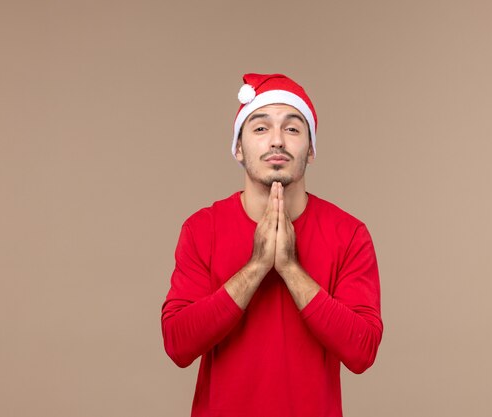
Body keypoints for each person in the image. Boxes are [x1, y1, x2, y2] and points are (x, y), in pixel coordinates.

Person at [161, 73, 383, 417]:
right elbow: (178, 344)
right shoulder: (201, 229)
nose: (276, 141)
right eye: (261, 128)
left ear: (310, 150)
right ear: (238, 147)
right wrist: (256, 268)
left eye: (292, 129)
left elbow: (362, 351)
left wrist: (291, 269)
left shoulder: (349, 233)